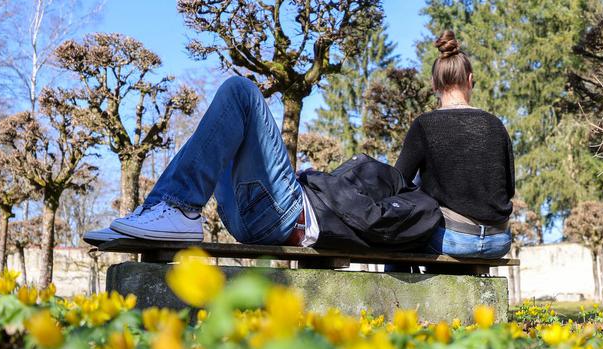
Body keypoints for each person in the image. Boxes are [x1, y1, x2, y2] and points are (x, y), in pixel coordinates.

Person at [85, 30, 513, 259]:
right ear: (470, 81)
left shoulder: (424, 129)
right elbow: (505, 192)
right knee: (224, 134)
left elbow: (399, 182)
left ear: (437, 85)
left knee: (240, 92)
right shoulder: (496, 126)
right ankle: (163, 208)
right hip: (495, 238)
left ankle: (176, 208)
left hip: (291, 217)